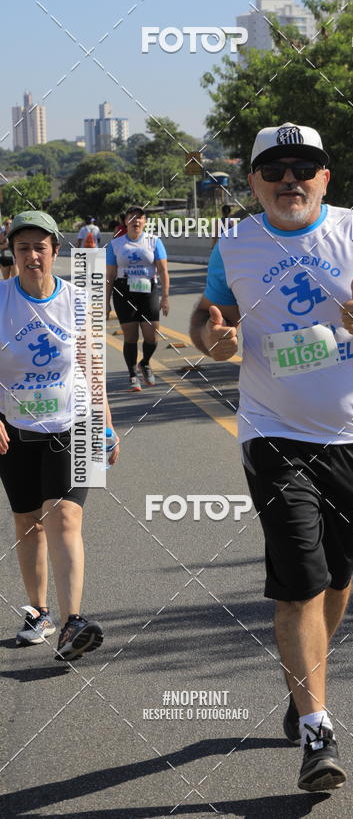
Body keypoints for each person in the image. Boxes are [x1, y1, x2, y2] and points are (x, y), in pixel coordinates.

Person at [190, 122, 353, 792]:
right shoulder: (236, 243)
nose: (288, 180)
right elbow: (209, 320)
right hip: (273, 435)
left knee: (334, 580)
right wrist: (212, 338)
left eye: (304, 168)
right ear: (253, 182)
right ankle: (318, 731)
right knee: (299, 578)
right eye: (274, 170)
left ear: (326, 178)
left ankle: (303, 688)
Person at [1, 210, 120, 660]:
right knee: (27, 521)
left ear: (55, 250)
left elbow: (92, 367)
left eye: (40, 246)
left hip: (74, 425)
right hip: (14, 429)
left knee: (64, 516)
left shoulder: (78, 300)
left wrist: (106, 422)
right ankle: (39, 612)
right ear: (13, 252)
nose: (33, 255)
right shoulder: (0, 300)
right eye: (23, 247)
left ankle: (73, 622)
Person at [105, 206, 169, 391]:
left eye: (140, 218)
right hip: (124, 291)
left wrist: (165, 297)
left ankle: (145, 362)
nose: (136, 221)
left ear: (145, 222)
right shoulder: (115, 245)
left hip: (148, 289)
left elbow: (163, 271)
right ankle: (133, 374)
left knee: (151, 335)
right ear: (125, 222)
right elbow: (110, 275)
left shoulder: (154, 241)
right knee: (131, 336)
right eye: (131, 218)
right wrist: (106, 302)